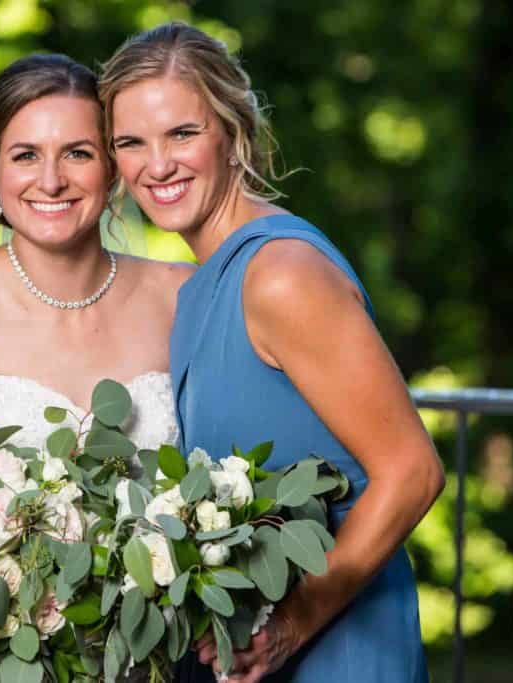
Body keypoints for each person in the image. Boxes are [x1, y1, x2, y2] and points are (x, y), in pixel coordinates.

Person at [99, 22, 444, 683]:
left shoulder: (281, 273)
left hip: (340, 646)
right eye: (131, 142)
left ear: (231, 131)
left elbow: (412, 470)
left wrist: (295, 621)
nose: (157, 164)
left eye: (182, 133)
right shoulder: (203, 285)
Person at [0, 53, 191, 454]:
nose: (52, 181)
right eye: (26, 156)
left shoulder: (181, 296)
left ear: (111, 168)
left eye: (78, 153)